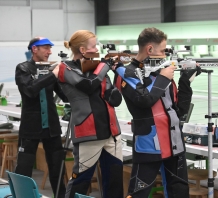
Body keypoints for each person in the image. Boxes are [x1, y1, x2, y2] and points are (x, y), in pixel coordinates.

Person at [115, 27, 201, 198]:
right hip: (149, 144)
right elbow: (144, 100)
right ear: (149, 49)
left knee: (179, 192)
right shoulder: (127, 72)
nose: (165, 55)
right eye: (162, 51)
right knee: (139, 193)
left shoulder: (159, 71)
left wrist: (185, 82)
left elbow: (179, 111)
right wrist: (163, 78)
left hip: (174, 142)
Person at [56, 30, 123, 198]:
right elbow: (87, 85)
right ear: (83, 50)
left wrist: (118, 75)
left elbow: (114, 98)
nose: (97, 49)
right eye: (94, 46)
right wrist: (105, 66)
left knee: (114, 182)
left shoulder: (97, 67)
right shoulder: (66, 67)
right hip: (88, 133)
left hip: (111, 132)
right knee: (80, 181)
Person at [15, 37, 67, 198]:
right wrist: (53, 74)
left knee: (58, 168)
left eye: (50, 48)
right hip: (31, 126)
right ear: (34, 49)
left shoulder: (51, 69)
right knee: (24, 169)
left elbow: (64, 96)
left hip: (51, 126)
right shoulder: (23, 68)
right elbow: (30, 90)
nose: (50, 51)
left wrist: (70, 76)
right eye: (46, 48)